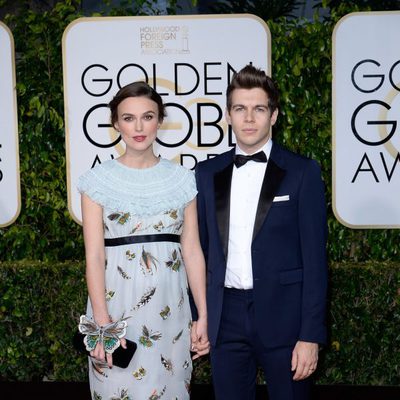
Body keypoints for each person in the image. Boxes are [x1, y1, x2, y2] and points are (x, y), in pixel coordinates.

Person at [194, 65, 328, 400]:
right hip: (226, 320)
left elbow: (315, 262)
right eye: (240, 109)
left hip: (286, 320)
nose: (249, 118)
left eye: (259, 109)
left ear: (274, 115)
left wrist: (310, 336)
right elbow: (201, 252)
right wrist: (201, 317)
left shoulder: (302, 172)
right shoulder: (207, 173)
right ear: (228, 115)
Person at [77, 81, 209, 400]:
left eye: (147, 117)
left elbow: (191, 250)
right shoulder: (96, 181)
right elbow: (94, 256)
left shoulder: (183, 179)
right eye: (128, 118)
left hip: (172, 312)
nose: (138, 127)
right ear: (116, 123)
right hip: (114, 309)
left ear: (160, 120)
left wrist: (203, 315)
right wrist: (103, 324)